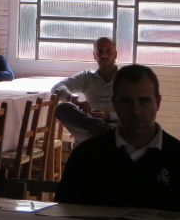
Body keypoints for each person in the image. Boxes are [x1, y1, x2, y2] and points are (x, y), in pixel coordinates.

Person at [56, 64, 180, 211]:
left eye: (144, 101)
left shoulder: (176, 156)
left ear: (157, 103)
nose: (136, 111)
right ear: (114, 103)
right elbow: (64, 213)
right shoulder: (85, 156)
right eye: (126, 101)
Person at [52, 37, 118, 144]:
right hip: (90, 127)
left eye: (108, 51)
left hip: (115, 126)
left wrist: (109, 116)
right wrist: (72, 98)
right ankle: (105, 136)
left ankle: (104, 136)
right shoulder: (87, 76)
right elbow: (56, 87)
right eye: (100, 52)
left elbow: (133, 112)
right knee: (61, 108)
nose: (104, 55)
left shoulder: (126, 78)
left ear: (115, 54)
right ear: (94, 55)